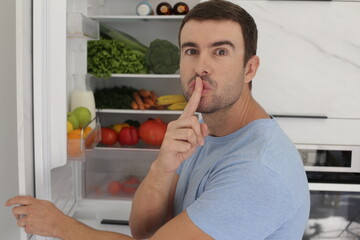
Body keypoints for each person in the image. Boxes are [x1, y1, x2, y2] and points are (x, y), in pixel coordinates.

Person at [6, 0, 310, 239]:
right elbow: (143, 229)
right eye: (191, 50)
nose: (201, 66)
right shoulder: (205, 130)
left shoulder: (258, 169)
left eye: (220, 51)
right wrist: (162, 167)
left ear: (250, 69)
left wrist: (60, 226)